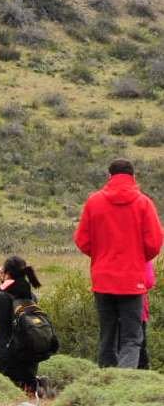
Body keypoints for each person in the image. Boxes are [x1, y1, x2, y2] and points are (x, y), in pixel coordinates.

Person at [74, 158, 164, 368]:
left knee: (107, 335)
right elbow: (154, 243)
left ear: (109, 176)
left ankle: (106, 380)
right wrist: (137, 258)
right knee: (131, 338)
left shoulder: (93, 202)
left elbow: (82, 240)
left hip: (102, 279)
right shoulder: (144, 203)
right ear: (133, 177)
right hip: (132, 281)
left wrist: (101, 256)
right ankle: (124, 383)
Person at [0, 257, 53, 394]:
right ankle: (34, 384)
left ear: (8, 273)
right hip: (30, 360)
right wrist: (3, 280)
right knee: (21, 375)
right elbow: (12, 297)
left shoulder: (1, 298)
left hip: (7, 359)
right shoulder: (31, 297)